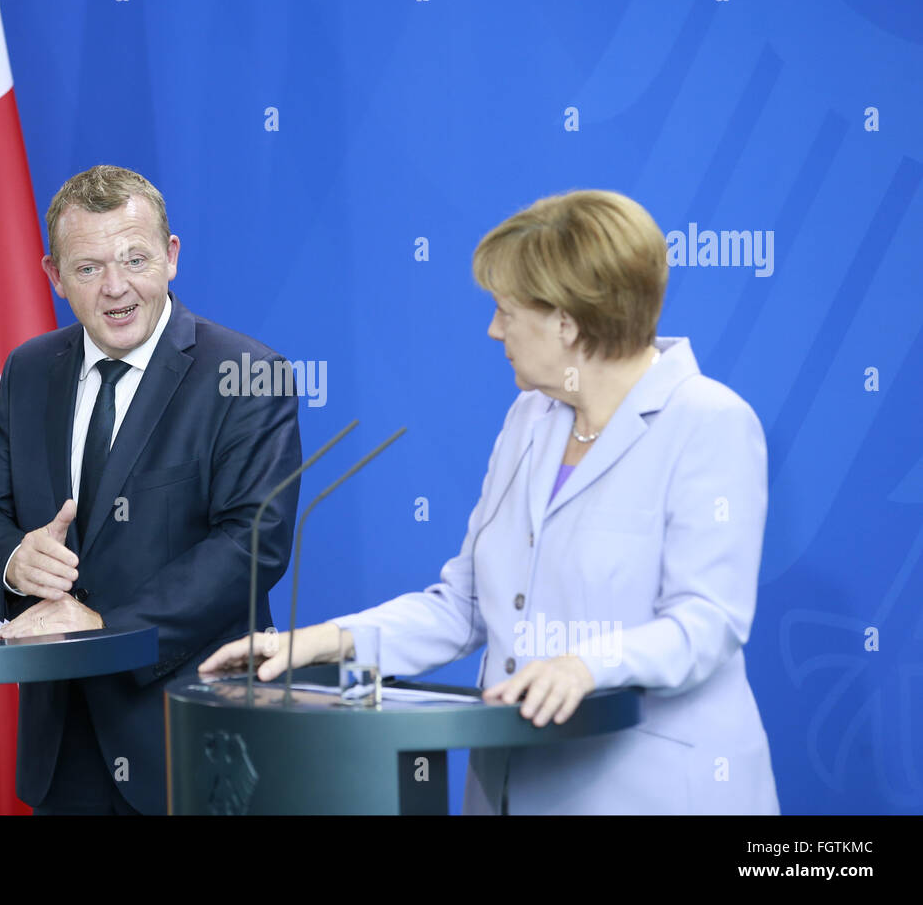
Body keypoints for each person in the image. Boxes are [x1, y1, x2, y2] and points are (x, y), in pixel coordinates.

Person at [201, 189, 780, 814]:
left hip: (653, 790)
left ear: (566, 321)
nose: (493, 328)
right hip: (512, 786)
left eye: (506, 310)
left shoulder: (708, 422)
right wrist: (318, 643)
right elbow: (466, 606)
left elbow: (707, 620)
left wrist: (585, 664)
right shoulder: (530, 418)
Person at [0, 165, 301, 815]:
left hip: (191, 736)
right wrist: (12, 561)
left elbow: (253, 542)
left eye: (134, 259)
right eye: (87, 268)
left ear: (170, 258)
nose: (116, 287)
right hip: (63, 749)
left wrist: (108, 629)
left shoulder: (248, 374)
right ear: (53, 276)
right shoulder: (31, 370)